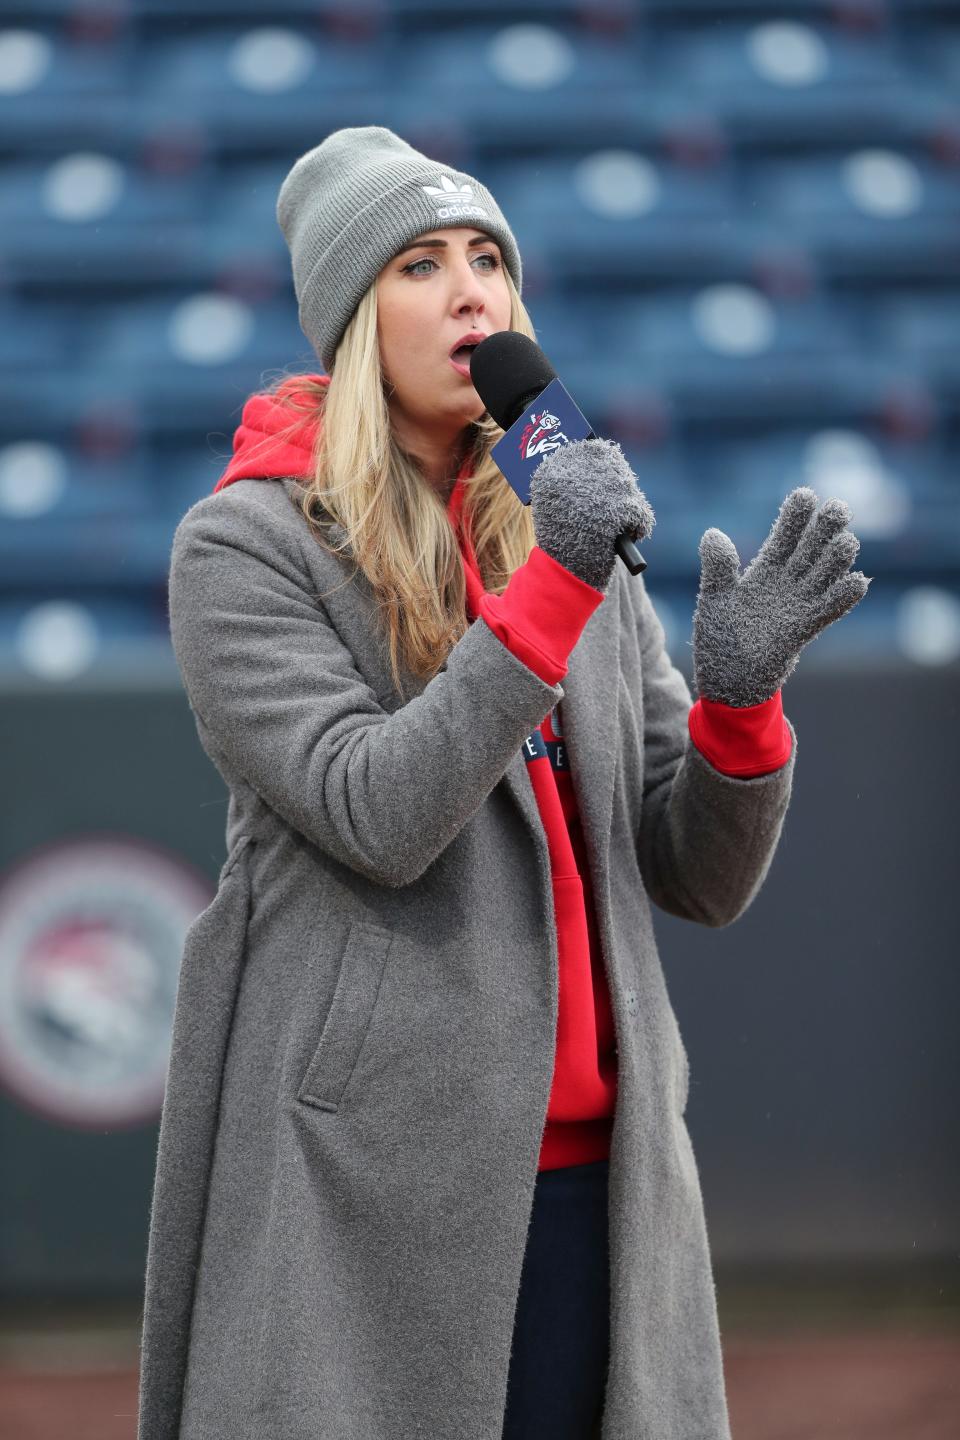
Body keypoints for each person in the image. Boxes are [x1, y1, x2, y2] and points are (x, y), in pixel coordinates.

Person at [137, 127, 870, 1440]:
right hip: (371, 1193)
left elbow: (693, 874)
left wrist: (740, 714)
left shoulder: (560, 524)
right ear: (355, 319)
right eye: (422, 263)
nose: (475, 290)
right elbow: (374, 811)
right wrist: (553, 590)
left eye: (491, 259)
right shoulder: (244, 547)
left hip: (612, 1189)